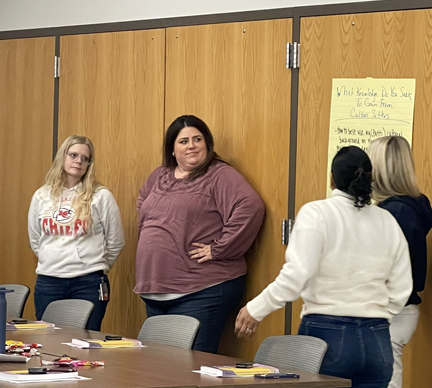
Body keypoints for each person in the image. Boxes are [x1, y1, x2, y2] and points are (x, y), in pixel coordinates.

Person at [235, 146, 413, 388]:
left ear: (331, 178)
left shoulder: (316, 213)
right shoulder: (387, 220)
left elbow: (297, 274)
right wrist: (379, 313)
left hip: (327, 334)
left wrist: (257, 308)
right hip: (377, 338)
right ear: (370, 179)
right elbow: (402, 286)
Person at [135, 115, 265, 353]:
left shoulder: (219, 175)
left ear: (207, 144)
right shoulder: (160, 175)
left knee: (190, 368)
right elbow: (143, 201)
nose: (192, 145)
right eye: (183, 141)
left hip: (203, 289)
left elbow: (250, 206)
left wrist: (220, 248)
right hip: (156, 290)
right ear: (172, 149)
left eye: (198, 139)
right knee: (159, 368)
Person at [28, 135, 125, 331]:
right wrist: (53, 259)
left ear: (90, 164)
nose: (79, 161)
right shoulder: (42, 195)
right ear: (62, 156)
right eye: (73, 155)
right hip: (49, 281)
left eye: (85, 158)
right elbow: (35, 239)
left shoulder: (101, 195)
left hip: (88, 282)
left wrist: (96, 265)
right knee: (49, 342)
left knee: (85, 344)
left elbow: (116, 241)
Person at [368, 136, 432, 388]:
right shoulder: (408, 209)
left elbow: (394, 271)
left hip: (391, 311)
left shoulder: (396, 214)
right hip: (397, 310)